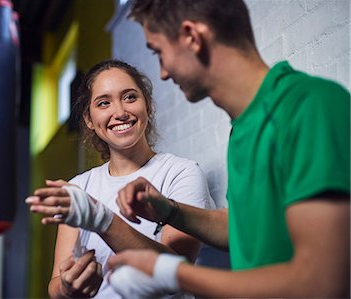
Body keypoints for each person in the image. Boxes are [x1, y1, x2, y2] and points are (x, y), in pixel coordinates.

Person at [106, 0, 351, 298]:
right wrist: (168, 210)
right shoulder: (244, 126)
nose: (163, 74)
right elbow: (244, 227)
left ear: (192, 37)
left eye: (159, 53)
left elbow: (320, 283)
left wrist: (171, 273)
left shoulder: (309, 107)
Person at [25, 59, 215, 298]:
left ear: (148, 105)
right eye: (104, 103)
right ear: (89, 120)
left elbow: (179, 271)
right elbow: (54, 286)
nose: (120, 112)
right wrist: (68, 287)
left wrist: (102, 219)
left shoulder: (180, 173)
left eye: (130, 97)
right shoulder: (79, 187)